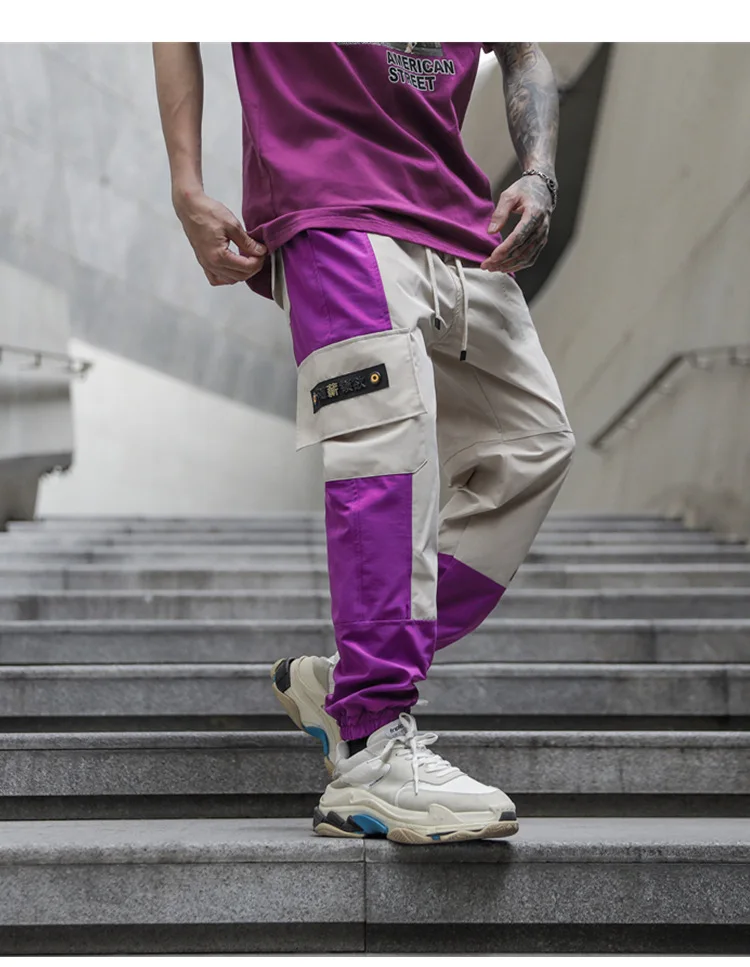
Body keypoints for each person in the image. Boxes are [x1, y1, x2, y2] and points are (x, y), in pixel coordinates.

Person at [153, 41, 574, 845]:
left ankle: (354, 675)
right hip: (330, 204)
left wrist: (539, 173)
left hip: (460, 220)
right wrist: (186, 185)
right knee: (387, 461)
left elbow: (524, 50)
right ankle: (372, 748)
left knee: (536, 443)